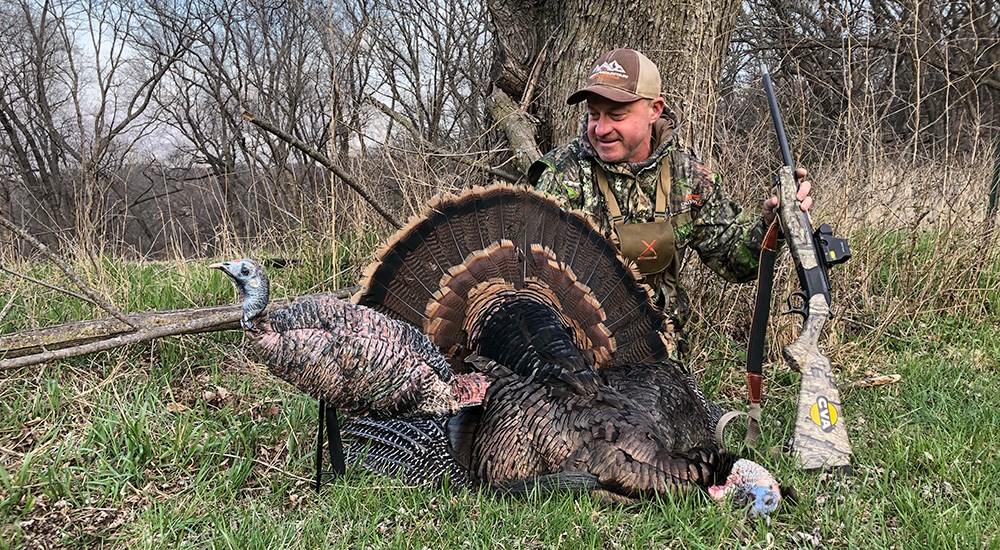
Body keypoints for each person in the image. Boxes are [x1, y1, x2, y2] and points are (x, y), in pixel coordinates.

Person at [529, 48, 812, 360]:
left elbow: (735, 261)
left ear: (655, 109)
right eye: (594, 114)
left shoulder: (688, 177)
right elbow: (531, 283)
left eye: (617, 115)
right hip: (580, 358)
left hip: (661, 358)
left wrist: (774, 225)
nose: (601, 128)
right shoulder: (562, 176)